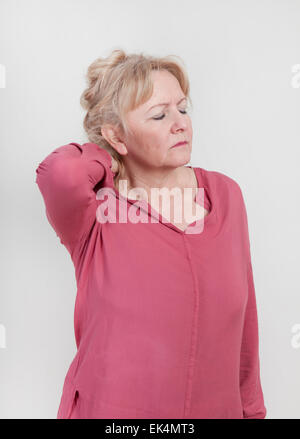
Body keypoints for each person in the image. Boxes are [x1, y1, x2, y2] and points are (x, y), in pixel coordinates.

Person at [35, 49, 267, 419]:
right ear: (117, 135)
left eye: (183, 109)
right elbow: (59, 174)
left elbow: (244, 330)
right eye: (159, 115)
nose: (180, 124)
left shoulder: (225, 196)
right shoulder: (96, 213)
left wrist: (252, 412)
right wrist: (108, 154)